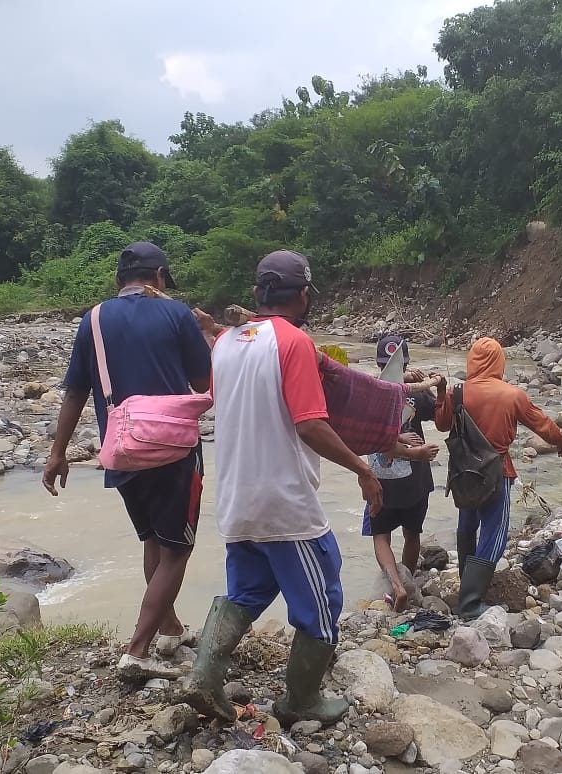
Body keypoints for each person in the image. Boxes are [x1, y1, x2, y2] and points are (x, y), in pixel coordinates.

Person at [183, 250, 430, 727]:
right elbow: (310, 425)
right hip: (285, 505)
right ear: (303, 295)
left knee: (248, 590)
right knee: (323, 596)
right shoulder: (293, 342)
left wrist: (213, 330)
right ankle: (301, 700)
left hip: (236, 502)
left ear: (257, 293)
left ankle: (205, 674)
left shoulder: (226, 344)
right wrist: (364, 468)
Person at [43, 242, 212, 679]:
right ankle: (137, 651)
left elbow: (76, 391)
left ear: (120, 280)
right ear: (157, 275)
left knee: (153, 541)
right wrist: (208, 337)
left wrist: (58, 453)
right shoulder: (177, 314)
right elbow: (202, 379)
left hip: (121, 447)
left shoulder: (93, 319)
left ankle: (169, 627)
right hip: (173, 448)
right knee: (178, 550)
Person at [435, 337, 562, 619]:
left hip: (463, 472)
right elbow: (544, 426)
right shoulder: (512, 395)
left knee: (467, 526)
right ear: (499, 361)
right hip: (497, 470)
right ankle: (471, 603)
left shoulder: (457, 392)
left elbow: (441, 424)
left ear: (472, 360)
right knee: (495, 534)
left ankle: (467, 583)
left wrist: (441, 395)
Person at [364, 335, 441, 612]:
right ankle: (407, 581)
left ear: (378, 363)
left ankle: (396, 586)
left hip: (378, 480)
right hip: (415, 479)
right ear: (406, 362)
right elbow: (441, 418)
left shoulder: (369, 392)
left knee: (381, 535)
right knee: (412, 533)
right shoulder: (415, 392)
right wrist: (437, 388)